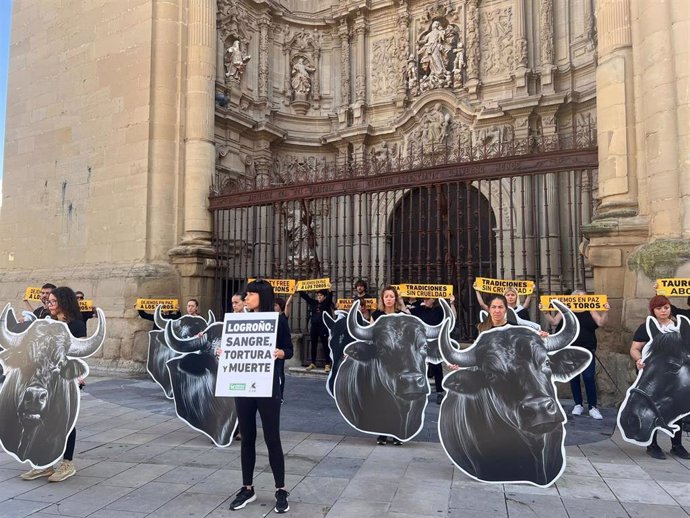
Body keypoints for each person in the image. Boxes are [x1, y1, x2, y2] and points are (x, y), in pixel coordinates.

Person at [228, 279, 292, 513]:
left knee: (272, 437)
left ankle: (281, 489)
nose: (245, 298)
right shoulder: (240, 320)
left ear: (261, 296)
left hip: (268, 386)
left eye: (250, 294)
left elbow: (289, 350)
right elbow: (235, 346)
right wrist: (225, 352)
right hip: (244, 384)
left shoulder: (278, 321)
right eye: (245, 295)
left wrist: (281, 352)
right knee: (247, 437)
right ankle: (248, 488)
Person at [20, 286, 88, 482]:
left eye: (52, 302)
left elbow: (81, 353)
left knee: (66, 419)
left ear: (63, 302)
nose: (48, 304)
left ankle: (67, 463)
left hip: (66, 378)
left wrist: (78, 374)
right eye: (48, 301)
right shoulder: (46, 323)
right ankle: (44, 464)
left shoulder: (76, 325)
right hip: (44, 378)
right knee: (41, 419)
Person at [630, 295, 690, 460]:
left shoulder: (680, 327)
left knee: (678, 410)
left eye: (666, 307)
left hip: (675, 377)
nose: (663, 311)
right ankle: (653, 444)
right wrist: (638, 359)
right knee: (653, 408)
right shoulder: (646, 328)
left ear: (670, 308)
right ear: (653, 310)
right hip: (653, 375)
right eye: (659, 308)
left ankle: (677, 445)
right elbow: (635, 348)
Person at [543, 290, 609, 420]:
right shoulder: (566, 310)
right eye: (577, 298)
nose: (580, 300)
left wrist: (606, 311)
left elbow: (601, 322)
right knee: (574, 378)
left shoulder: (590, 310)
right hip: (570, 350)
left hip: (587, 349)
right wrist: (545, 312)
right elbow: (554, 322)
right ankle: (578, 404)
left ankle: (592, 407)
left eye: (582, 298)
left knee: (589, 377)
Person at [371, 285, 410, 445]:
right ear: (382, 299)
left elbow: (411, 328)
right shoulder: (377, 315)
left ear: (395, 298)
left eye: (392, 296)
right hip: (381, 360)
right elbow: (370, 335)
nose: (389, 299)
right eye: (386, 296)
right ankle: (382, 432)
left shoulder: (402, 315)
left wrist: (402, 304)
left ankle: (397, 433)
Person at [411, 296, 457, 404]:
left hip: (435, 343)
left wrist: (452, 303)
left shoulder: (439, 310)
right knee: (420, 367)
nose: (425, 301)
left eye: (428, 299)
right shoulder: (419, 309)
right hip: (421, 342)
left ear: (433, 299)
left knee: (436, 367)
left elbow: (452, 317)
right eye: (424, 299)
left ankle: (440, 392)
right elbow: (406, 313)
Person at [298, 289, 333, 372]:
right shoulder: (314, 303)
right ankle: (313, 363)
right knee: (313, 345)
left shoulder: (326, 303)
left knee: (325, 345)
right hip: (314, 327)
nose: (319, 297)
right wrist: (299, 290)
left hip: (323, 327)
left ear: (324, 297)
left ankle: (327, 364)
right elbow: (306, 297)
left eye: (321, 295)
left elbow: (330, 298)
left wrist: (330, 291)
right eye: (318, 295)